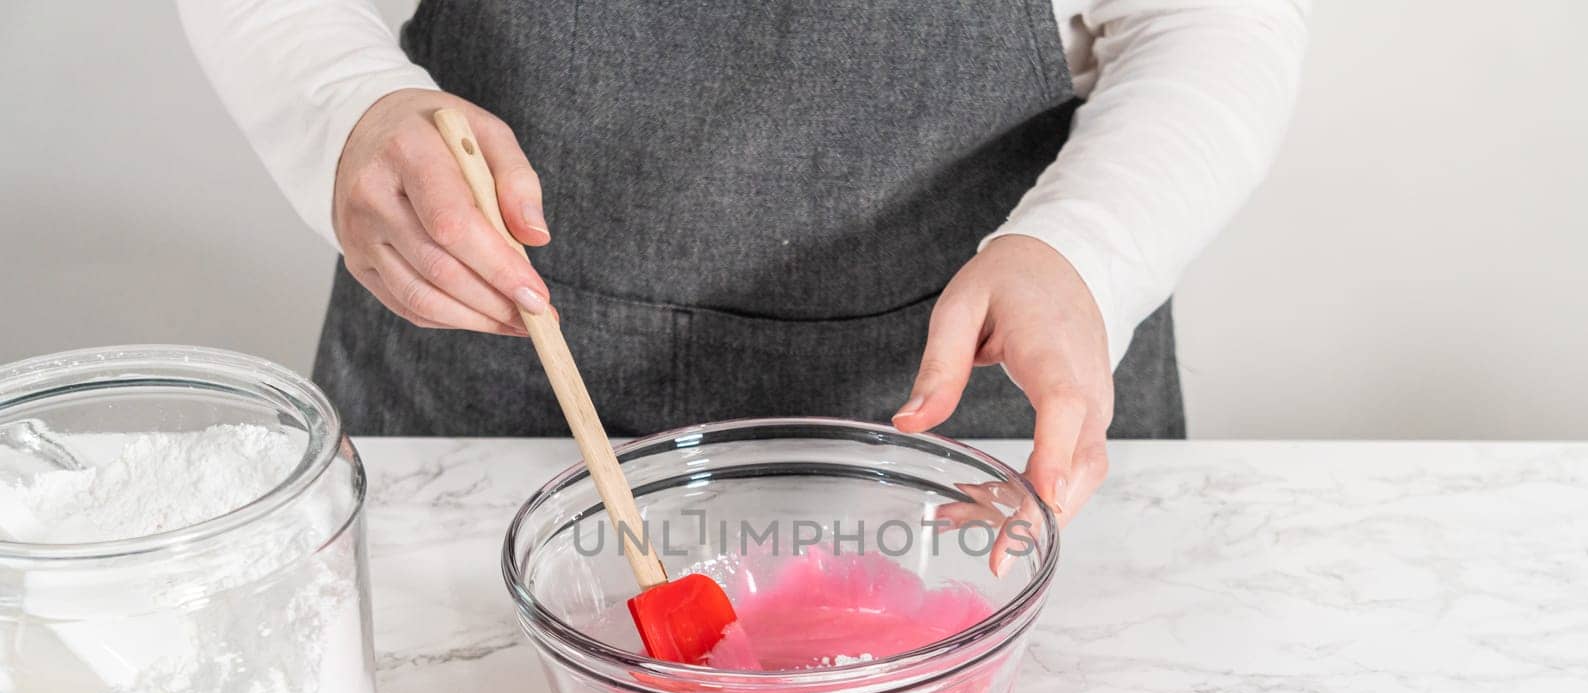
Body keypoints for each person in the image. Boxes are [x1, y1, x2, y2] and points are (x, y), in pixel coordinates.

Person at [181, 0, 1308, 522]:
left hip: (979, 429)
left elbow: (1216, 19)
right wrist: (346, 110)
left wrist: (1081, 252)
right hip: (491, 391)